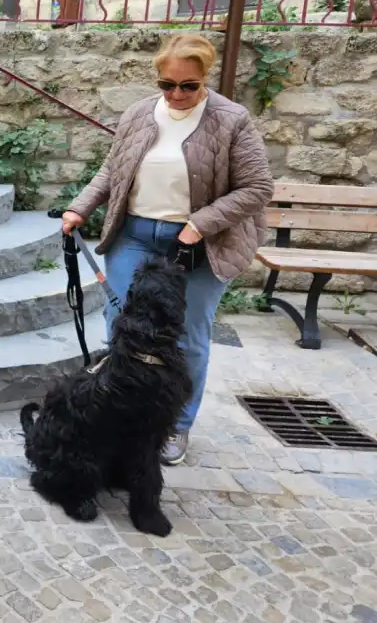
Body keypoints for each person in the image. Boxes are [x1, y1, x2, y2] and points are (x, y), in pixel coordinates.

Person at [62, 34, 273, 466]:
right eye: (167, 84)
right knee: (122, 324)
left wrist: (200, 224)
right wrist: (79, 207)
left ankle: (176, 424)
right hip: (135, 235)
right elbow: (113, 169)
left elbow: (257, 188)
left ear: (205, 78)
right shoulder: (139, 113)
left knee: (188, 335)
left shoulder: (231, 120)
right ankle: (123, 417)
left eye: (188, 86)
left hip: (201, 244)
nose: (176, 94)